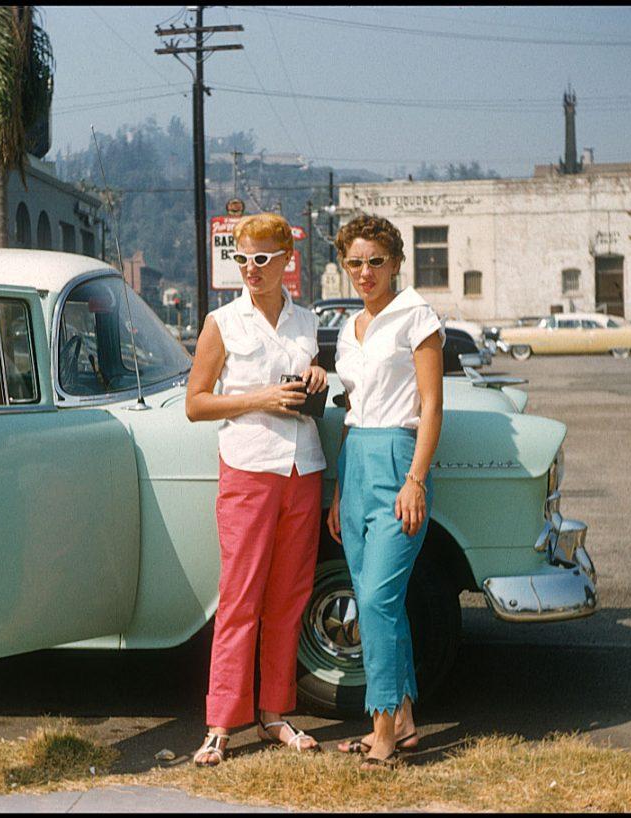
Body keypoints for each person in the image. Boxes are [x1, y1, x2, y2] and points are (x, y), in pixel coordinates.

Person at [184, 212, 329, 767]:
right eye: (241, 259)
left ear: (287, 261)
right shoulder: (222, 322)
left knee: (289, 598)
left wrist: (315, 376)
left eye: (262, 259)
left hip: (302, 467)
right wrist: (259, 399)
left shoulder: (306, 321)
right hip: (247, 468)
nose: (250, 269)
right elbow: (197, 403)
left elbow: (308, 382)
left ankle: (274, 714)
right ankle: (220, 724)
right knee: (240, 597)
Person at [326, 214, 444, 771]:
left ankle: (382, 736)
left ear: (396, 262)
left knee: (376, 601)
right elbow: (351, 411)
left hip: (399, 460)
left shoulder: (415, 316)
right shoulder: (350, 329)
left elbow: (430, 404)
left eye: (376, 261)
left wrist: (416, 479)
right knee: (377, 600)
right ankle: (406, 722)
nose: (365, 272)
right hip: (355, 465)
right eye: (355, 262)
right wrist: (337, 491)